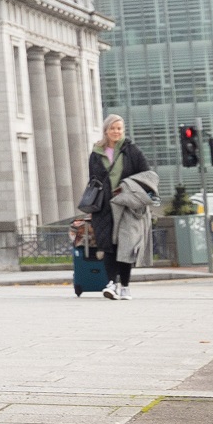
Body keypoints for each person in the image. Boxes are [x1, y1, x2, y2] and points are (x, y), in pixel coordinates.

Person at [82, 115, 152, 300]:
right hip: (104, 206)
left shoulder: (132, 151)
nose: (116, 132)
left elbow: (146, 174)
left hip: (127, 206)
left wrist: (127, 186)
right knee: (108, 245)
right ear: (106, 130)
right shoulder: (96, 153)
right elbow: (93, 180)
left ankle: (126, 286)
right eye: (113, 128)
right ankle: (111, 283)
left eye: (119, 128)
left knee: (126, 245)